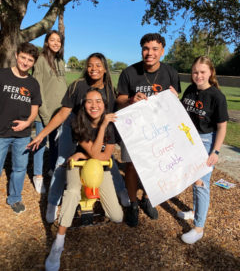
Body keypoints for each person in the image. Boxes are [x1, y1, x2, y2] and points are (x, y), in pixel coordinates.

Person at [28, 52, 129, 223]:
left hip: (95, 130)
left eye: (98, 65)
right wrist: (42, 135)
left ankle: (121, 191)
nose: (93, 69)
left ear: (105, 69)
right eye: (90, 65)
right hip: (73, 127)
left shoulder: (110, 91)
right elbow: (62, 114)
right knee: (62, 161)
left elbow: (113, 116)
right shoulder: (77, 86)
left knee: (107, 159)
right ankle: (53, 202)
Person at [45, 88, 123, 271]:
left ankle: (91, 199)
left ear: (104, 105)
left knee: (117, 217)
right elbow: (98, 153)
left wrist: (84, 153)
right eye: (89, 101)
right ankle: (59, 242)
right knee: (72, 192)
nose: (94, 105)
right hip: (78, 167)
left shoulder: (111, 126)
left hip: (98, 168)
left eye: (98, 101)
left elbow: (104, 157)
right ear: (83, 104)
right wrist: (99, 133)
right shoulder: (78, 123)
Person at [117, 33, 181, 227]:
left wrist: (175, 98)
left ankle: (147, 197)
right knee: (131, 166)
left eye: (154, 49)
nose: (149, 53)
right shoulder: (129, 72)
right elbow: (118, 100)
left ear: (162, 51)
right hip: (135, 128)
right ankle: (133, 204)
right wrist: (130, 100)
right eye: (146, 48)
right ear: (141, 50)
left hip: (160, 128)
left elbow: (174, 100)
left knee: (156, 164)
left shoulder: (170, 73)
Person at [176, 56, 228, 244]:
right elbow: (181, 112)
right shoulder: (190, 90)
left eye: (202, 72)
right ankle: (195, 212)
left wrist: (215, 152)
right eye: (195, 72)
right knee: (193, 178)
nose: (198, 75)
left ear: (210, 73)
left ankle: (198, 228)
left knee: (201, 183)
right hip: (189, 139)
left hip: (206, 142)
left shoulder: (217, 97)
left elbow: (222, 127)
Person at [0, 42, 41, 213]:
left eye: (30, 60)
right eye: (23, 57)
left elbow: (35, 108)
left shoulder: (33, 83)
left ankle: (15, 198)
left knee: (19, 168)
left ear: (33, 63)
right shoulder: (2, 75)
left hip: (23, 135)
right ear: (17, 55)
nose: (25, 62)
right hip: (1, 132)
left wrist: (27, 123)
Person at [32, 30, 68, 194]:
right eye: (52, 40)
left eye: (58, 41)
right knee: (40, 144)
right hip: (43, 112)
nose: (55, 43)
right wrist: (45, 115)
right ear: (46, 42)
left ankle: (52, 169)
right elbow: (37, 89)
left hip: (59, 112)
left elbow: (62, 85)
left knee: (56, 144)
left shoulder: (60, 61)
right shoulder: (41, 60)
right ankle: (38, 176)